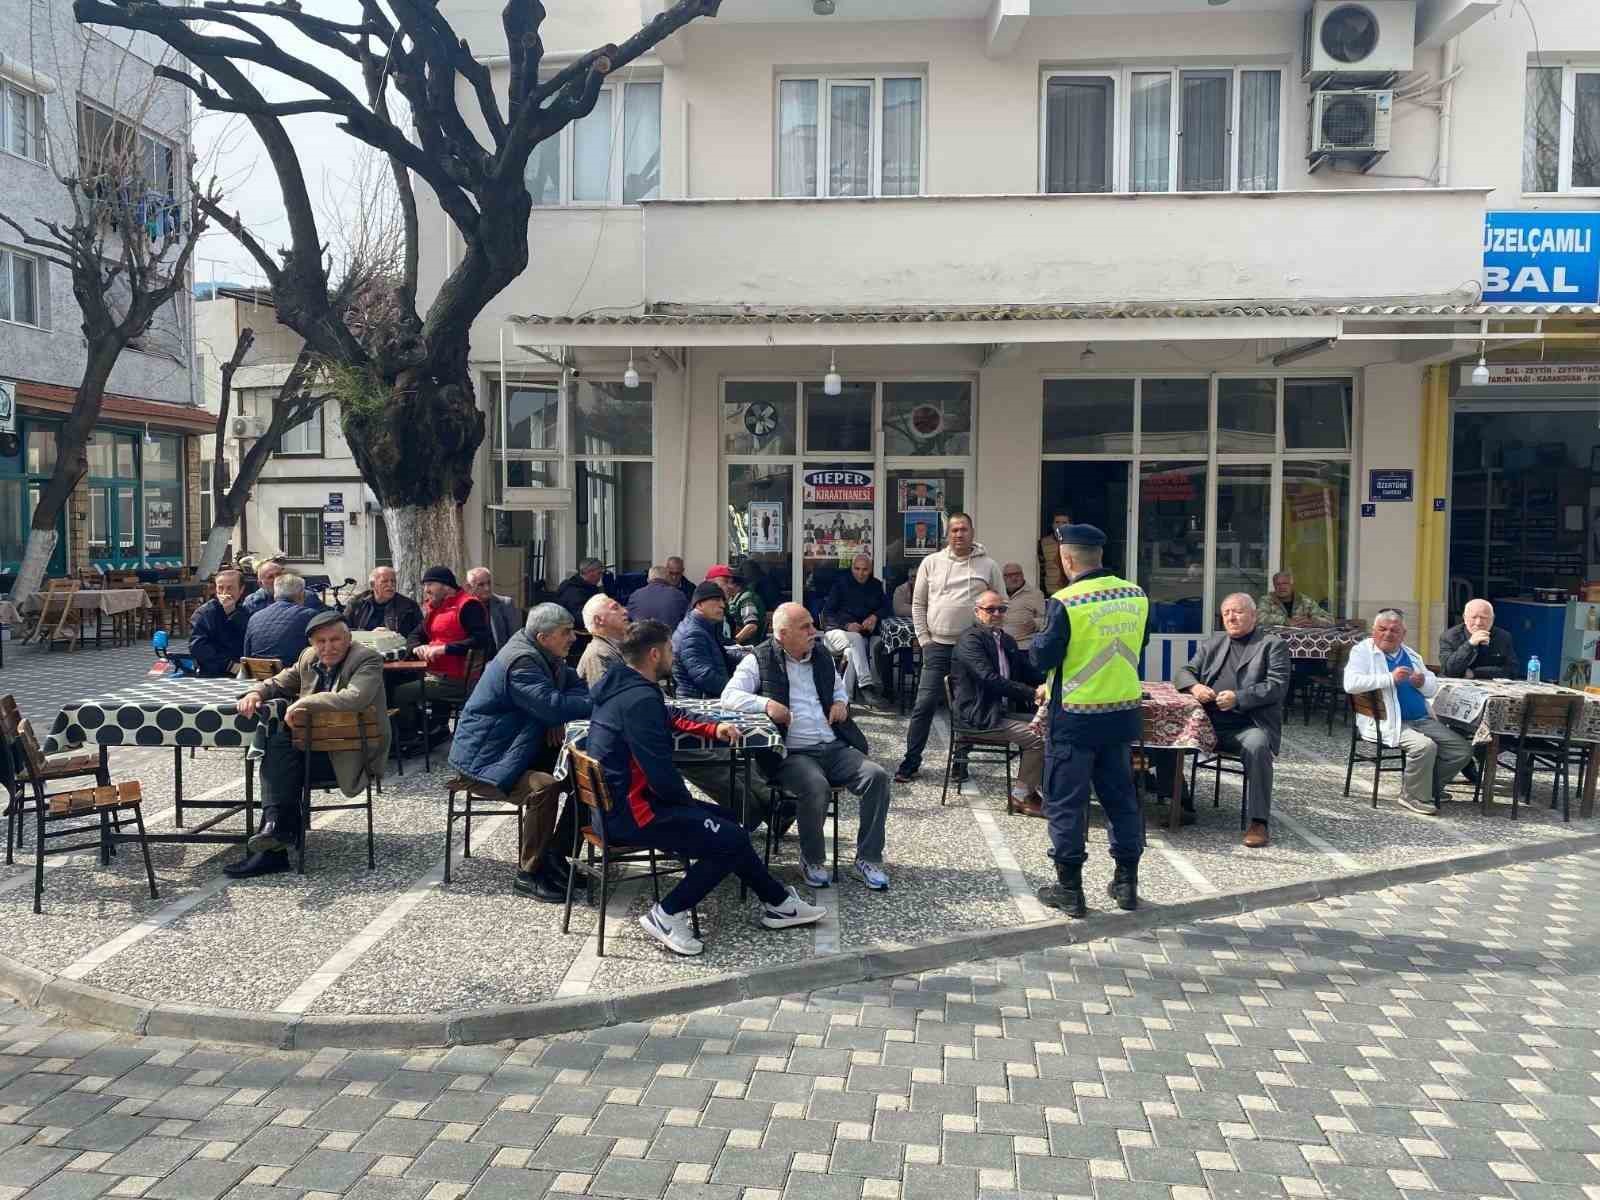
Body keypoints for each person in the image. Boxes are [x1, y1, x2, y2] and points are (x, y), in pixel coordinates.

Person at [587, 620, 826, 956]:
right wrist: (688, 809)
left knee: (731, 824)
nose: (674, 655)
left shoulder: (624, 685)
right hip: (631, 816)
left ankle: (780, 903)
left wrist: (714, 728)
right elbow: (660, 772)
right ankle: (667, 914)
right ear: (654, 654)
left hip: (617, 807)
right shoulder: (639, 700)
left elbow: (668, 714)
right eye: (670, 649)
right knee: (729, 839)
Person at [723, 603, 893, 891]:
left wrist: (841, 703)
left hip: (833, 745)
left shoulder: (822, 656)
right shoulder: (759, 658)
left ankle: (868, 858)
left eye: (812, 625)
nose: (814, 632)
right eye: (805, 627)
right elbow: (729, 696)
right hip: (793, 753)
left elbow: (839, 689)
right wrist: (766, 704)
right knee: (816, 786)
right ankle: (812, 859)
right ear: (782, 634)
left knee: (877, 776)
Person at [1029, 524, 1148, 918]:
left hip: (1075, 721)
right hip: (1121, 717)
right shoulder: (1136, 595)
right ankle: (1127, 884)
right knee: (1122, 801)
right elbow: (1139, 644)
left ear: (1066, 559)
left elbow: (1041, 658)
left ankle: (1070, 891)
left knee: (1066, 804)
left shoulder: (1065, 602)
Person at [229, 611, 389, 878]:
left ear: (348, 638)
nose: (327, 647)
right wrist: (256, 692)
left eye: (335, 640)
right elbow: (279, 681)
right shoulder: (309, 657)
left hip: (348, 756)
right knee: (278, 747)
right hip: (311, 751)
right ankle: (275, 831)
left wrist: (303, 703)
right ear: (313, 643)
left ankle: (274, 836)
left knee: (278, 753)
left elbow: (354, 698)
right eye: (321, 641)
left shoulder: (366, 659)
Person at [449, 603, 591, 902]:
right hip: (487, 761)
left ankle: (555, 856)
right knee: (545, 789)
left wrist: (554, 714)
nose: (573, 638)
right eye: (566, 633)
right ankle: (528, 874)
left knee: (587, 777)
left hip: (517, 749)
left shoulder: (545, 654)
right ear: (543, 637)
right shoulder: (522, 662)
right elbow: (554, 705)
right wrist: (555, 714)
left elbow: (573, 686)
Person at [1165, 593, 1290, 848]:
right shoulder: (1214, 643)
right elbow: (1184, 672)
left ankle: (1258, 821)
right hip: (1206, 723)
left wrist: (1239, 698)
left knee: (1258, 746)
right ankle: (1182, 803)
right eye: (1227, 613)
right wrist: (1195, 686)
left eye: (1238, 611)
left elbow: (1277, 686)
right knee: (1167, 734)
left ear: (1254, 615)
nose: (1232, 617)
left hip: (1246, 724)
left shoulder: (1271, 644)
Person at [895, 513, 1005, 784]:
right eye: (954, 530)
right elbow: (919, 604)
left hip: (971, 647)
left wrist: (990, 637)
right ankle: (911, 762)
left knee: (964, 706)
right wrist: (924, 639)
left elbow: (999, 606)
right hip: (937, 645)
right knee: (924, 705)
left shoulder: (988, 565)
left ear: (972, 532)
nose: (959, 534)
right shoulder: (931, 563)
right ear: (947, 535)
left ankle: (960, 763)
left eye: (963, 529)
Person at [1344, 609, 1473, 816]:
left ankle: (1426, 788)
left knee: (1462, 750)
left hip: (1421, 719)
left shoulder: (1412, 655)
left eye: (1394, 630)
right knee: (1425, 747)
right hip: (1386, 722)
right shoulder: (1362, 652)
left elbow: (1432, 687)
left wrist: (1422, 683)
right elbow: (1350, 684)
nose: (1388, 634)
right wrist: (1390, 678)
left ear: (1403, 633)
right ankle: (1413, 796)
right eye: (1382, 629)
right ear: (1374, 631)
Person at [952, 591, 1047, 817]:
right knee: (1038, 737)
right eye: (990, 609)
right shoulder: (970, 641)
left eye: (1001, 609)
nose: (997, 614)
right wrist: (1032, 693)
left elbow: (1027, 671)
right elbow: (989, 679)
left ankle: (1039, 788)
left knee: (1054, 726)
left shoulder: (1006, 640)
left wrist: (1050, 682)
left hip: (1002, 713)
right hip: (980, 717)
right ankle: (1021, 796)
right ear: (977, 612)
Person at [392, 566, 495, 742]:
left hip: (456, 679)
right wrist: (417, 647)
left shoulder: (468, 605)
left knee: (400, 693)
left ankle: (409, 737)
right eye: (425, 585)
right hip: (433, 673)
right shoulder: (436, 607)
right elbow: (415, 634)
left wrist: (444, 649)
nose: (426, 590)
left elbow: (481, 640)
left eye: (430, 584)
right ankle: (430, 727)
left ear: (446, 586)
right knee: (394, 680)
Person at [821, 555, 888, 704]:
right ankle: (865, 685)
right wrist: (846, 625)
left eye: (865, 570)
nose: (860, 573)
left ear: (870, 570)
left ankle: (845, 698)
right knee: (856, 639)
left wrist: (874, 617)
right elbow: (827, 613)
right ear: (851, 568)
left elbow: (886, 607)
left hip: (857, 640)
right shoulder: (840, 584)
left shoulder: (875, 585)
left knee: (851, 652)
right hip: (834, 633)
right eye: (857, 569)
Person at [243, 572, 319, 667]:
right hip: (290, 675)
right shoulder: (309, 615)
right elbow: (319, 649)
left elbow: (246, 654)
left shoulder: (254, 617)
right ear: (301, 595)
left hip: (257, 674)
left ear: (276, 594)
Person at [672, 582, 733, 699]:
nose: (722, 605)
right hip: (699, 702)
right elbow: (704, 676)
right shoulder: (694, 633)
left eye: (723, 600)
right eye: (716, 600)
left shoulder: (703, 626)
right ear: (699, 604)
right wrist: (737, 689)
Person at [188, 568, 250, 677]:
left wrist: (232, 614)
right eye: (220, 588)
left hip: (244, 671)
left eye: (230, 588)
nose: (225, 593)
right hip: (213, 673)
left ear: (241, 590)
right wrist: (229, 665)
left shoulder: (246, 611)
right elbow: (198, 646)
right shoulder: (204, 613)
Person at [1439, 599, 1519, 681]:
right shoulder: (1449, 636)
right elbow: (1450, 671)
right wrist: (1470, 644)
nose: (1478, 623)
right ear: (1465, 618)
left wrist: (1475, 673)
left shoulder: (1503, 636)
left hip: (1490, 686)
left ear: (1492, 619)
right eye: (1473, 617)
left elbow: (1512, 671)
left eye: (1484, 618)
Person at [343, 566, 423, 638]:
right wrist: (369, 635)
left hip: (395, 649)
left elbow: (418, 634)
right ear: (372, 585)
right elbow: (344, 630)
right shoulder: (356, 603)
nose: (390, 585)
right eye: (384, 581)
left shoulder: (408, 606)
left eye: (393, 581)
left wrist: (391, 635)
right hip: (363, 648)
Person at [464, 567, 521, 652]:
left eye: (489, 583)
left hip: (499, 659)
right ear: (469, 587)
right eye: (481, 585)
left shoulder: (505, 604)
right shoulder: (464, 607)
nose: (487, 588)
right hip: (473, 660)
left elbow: (515, 639)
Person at [578, 592, 628, 687]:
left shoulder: (611, 648)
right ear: (599, 620)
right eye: (615, 608)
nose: (625, 611)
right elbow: (605, 697)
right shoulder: (598, 654)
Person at [710, 564, 766, 645]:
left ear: (735, 584)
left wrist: (734, 642)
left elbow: (751, 626)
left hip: (746, 646)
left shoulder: (746, 599)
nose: (726, 586)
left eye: (727, 582)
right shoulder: (733, 598)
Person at [1257, 571, 1333, 627]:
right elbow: (1259, 618)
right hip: (1276, 641)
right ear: (1274, 586)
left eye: (1285, 583)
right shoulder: (1266, 600)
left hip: (1302, 642)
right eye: (1278, 584)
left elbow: (1329, 620)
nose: (1281, 587)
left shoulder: (1305, 601)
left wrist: (1314, 621)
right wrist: (1286, 621)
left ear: (1292, 584)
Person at [1000, 561, 1047, 650]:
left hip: (1023, 646)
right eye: (1009, 575)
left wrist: (1035, 623)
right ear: (1003, 578)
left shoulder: (1035, 594)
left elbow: (1046, 620)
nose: (1014, 578)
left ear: (1023, 575)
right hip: (1000, 647)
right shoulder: (997, 594)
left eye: (1017, 574)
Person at [555, 558, 606, 625]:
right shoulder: (574, 591)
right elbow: (581, 619)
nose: (601, 576)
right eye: (599, 573)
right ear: (590, 572)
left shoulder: (587, 587)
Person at [1039, 512, 1071, 595]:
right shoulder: (1043, 543)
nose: (1060, 525)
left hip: (1072, 590)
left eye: (1064, 523)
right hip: (1051, 591)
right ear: (1052, 525)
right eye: (1057, 522)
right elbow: (1041, 569)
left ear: (1070, 525)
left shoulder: (1077, 542)